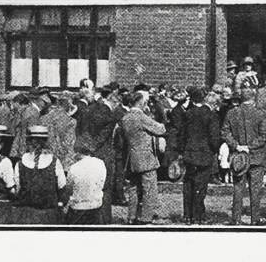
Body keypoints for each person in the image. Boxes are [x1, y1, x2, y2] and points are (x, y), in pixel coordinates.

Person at [222, 88, 266, 226]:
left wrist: (237, 146)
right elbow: (264, 136)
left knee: (238, 188)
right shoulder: (260, 114)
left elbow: (225, 132)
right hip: (255, 157)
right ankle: (255, 218)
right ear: (253, 98)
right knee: (255, 189)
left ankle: (236, 219)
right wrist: (250, 147)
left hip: (238, 157)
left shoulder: (231, 113)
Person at [120, 91, 167, 225]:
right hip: (146, 157)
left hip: (132, 157)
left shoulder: (125, 118)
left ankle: (131, 216)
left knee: (133, 188)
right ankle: (146, 217)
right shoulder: (141, 117)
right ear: (141, 102)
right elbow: (160, 129)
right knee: (149, 188)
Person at [74, 85, 119, 223]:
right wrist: (93, 146)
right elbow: (104, 135)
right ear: (112, 99)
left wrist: (86, 148)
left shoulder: (88, 110)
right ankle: (104, 220)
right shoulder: (108, 113)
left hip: (86, 153)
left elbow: (81, 131)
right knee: (105, 189)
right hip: (103, 155)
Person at [178, 88, 218, 224]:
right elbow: (214, 138)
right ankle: (199, 215)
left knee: (188, 185)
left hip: (189, 154)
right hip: (205, 154)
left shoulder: (187, 114)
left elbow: (182, 135)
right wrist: (214, 149)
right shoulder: (211, 115)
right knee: (200, 186)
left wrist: (182, 151)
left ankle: (187, 215)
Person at [12, 126, 67, 225]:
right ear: (46, 142)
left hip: (25, 216)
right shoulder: (55, 162)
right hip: (49, 217)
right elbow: (62, 187)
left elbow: (17, 190)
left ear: (28, 142)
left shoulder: (20, 163)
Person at [65, 142, 107, 225]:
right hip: (96, 206)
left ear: (77, 153)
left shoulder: (74, 168)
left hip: (78, 208)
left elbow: (68, 189)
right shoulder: (100, 163)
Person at [35, 91, 78, 168]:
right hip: (62, 162)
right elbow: (69, 145)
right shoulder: (70, 122)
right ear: (69, 105)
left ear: (57, 103)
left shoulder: (43, 119)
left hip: (45, 160)